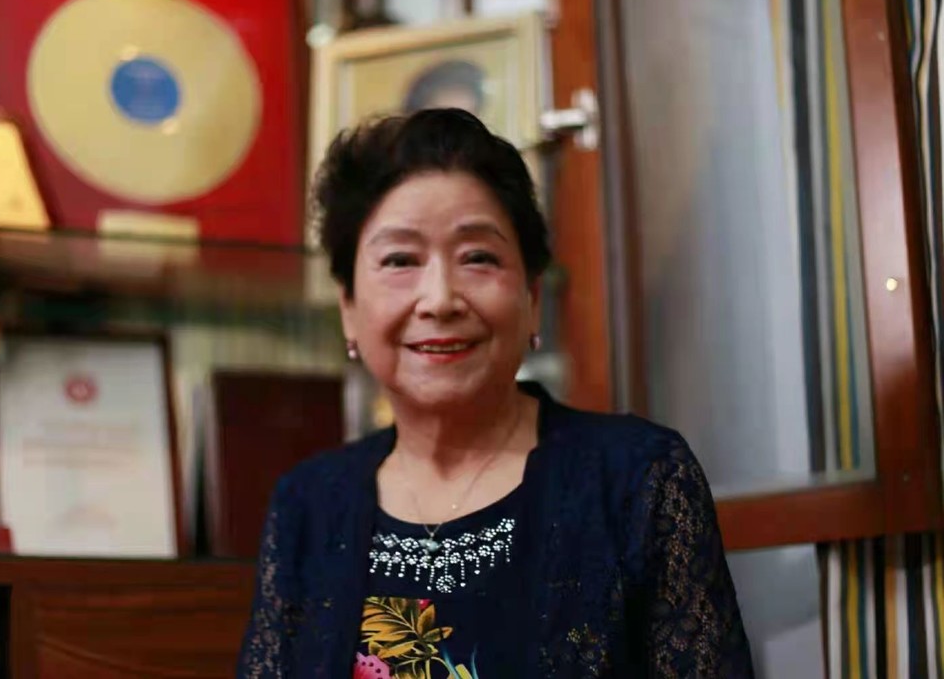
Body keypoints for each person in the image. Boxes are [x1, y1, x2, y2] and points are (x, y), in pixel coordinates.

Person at [237, 109, 752, 677]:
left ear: (531, 296)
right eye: (400, 260)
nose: (440, 299)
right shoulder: (307, 506)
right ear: (349, 309)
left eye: (477, 257)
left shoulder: (638, 480)